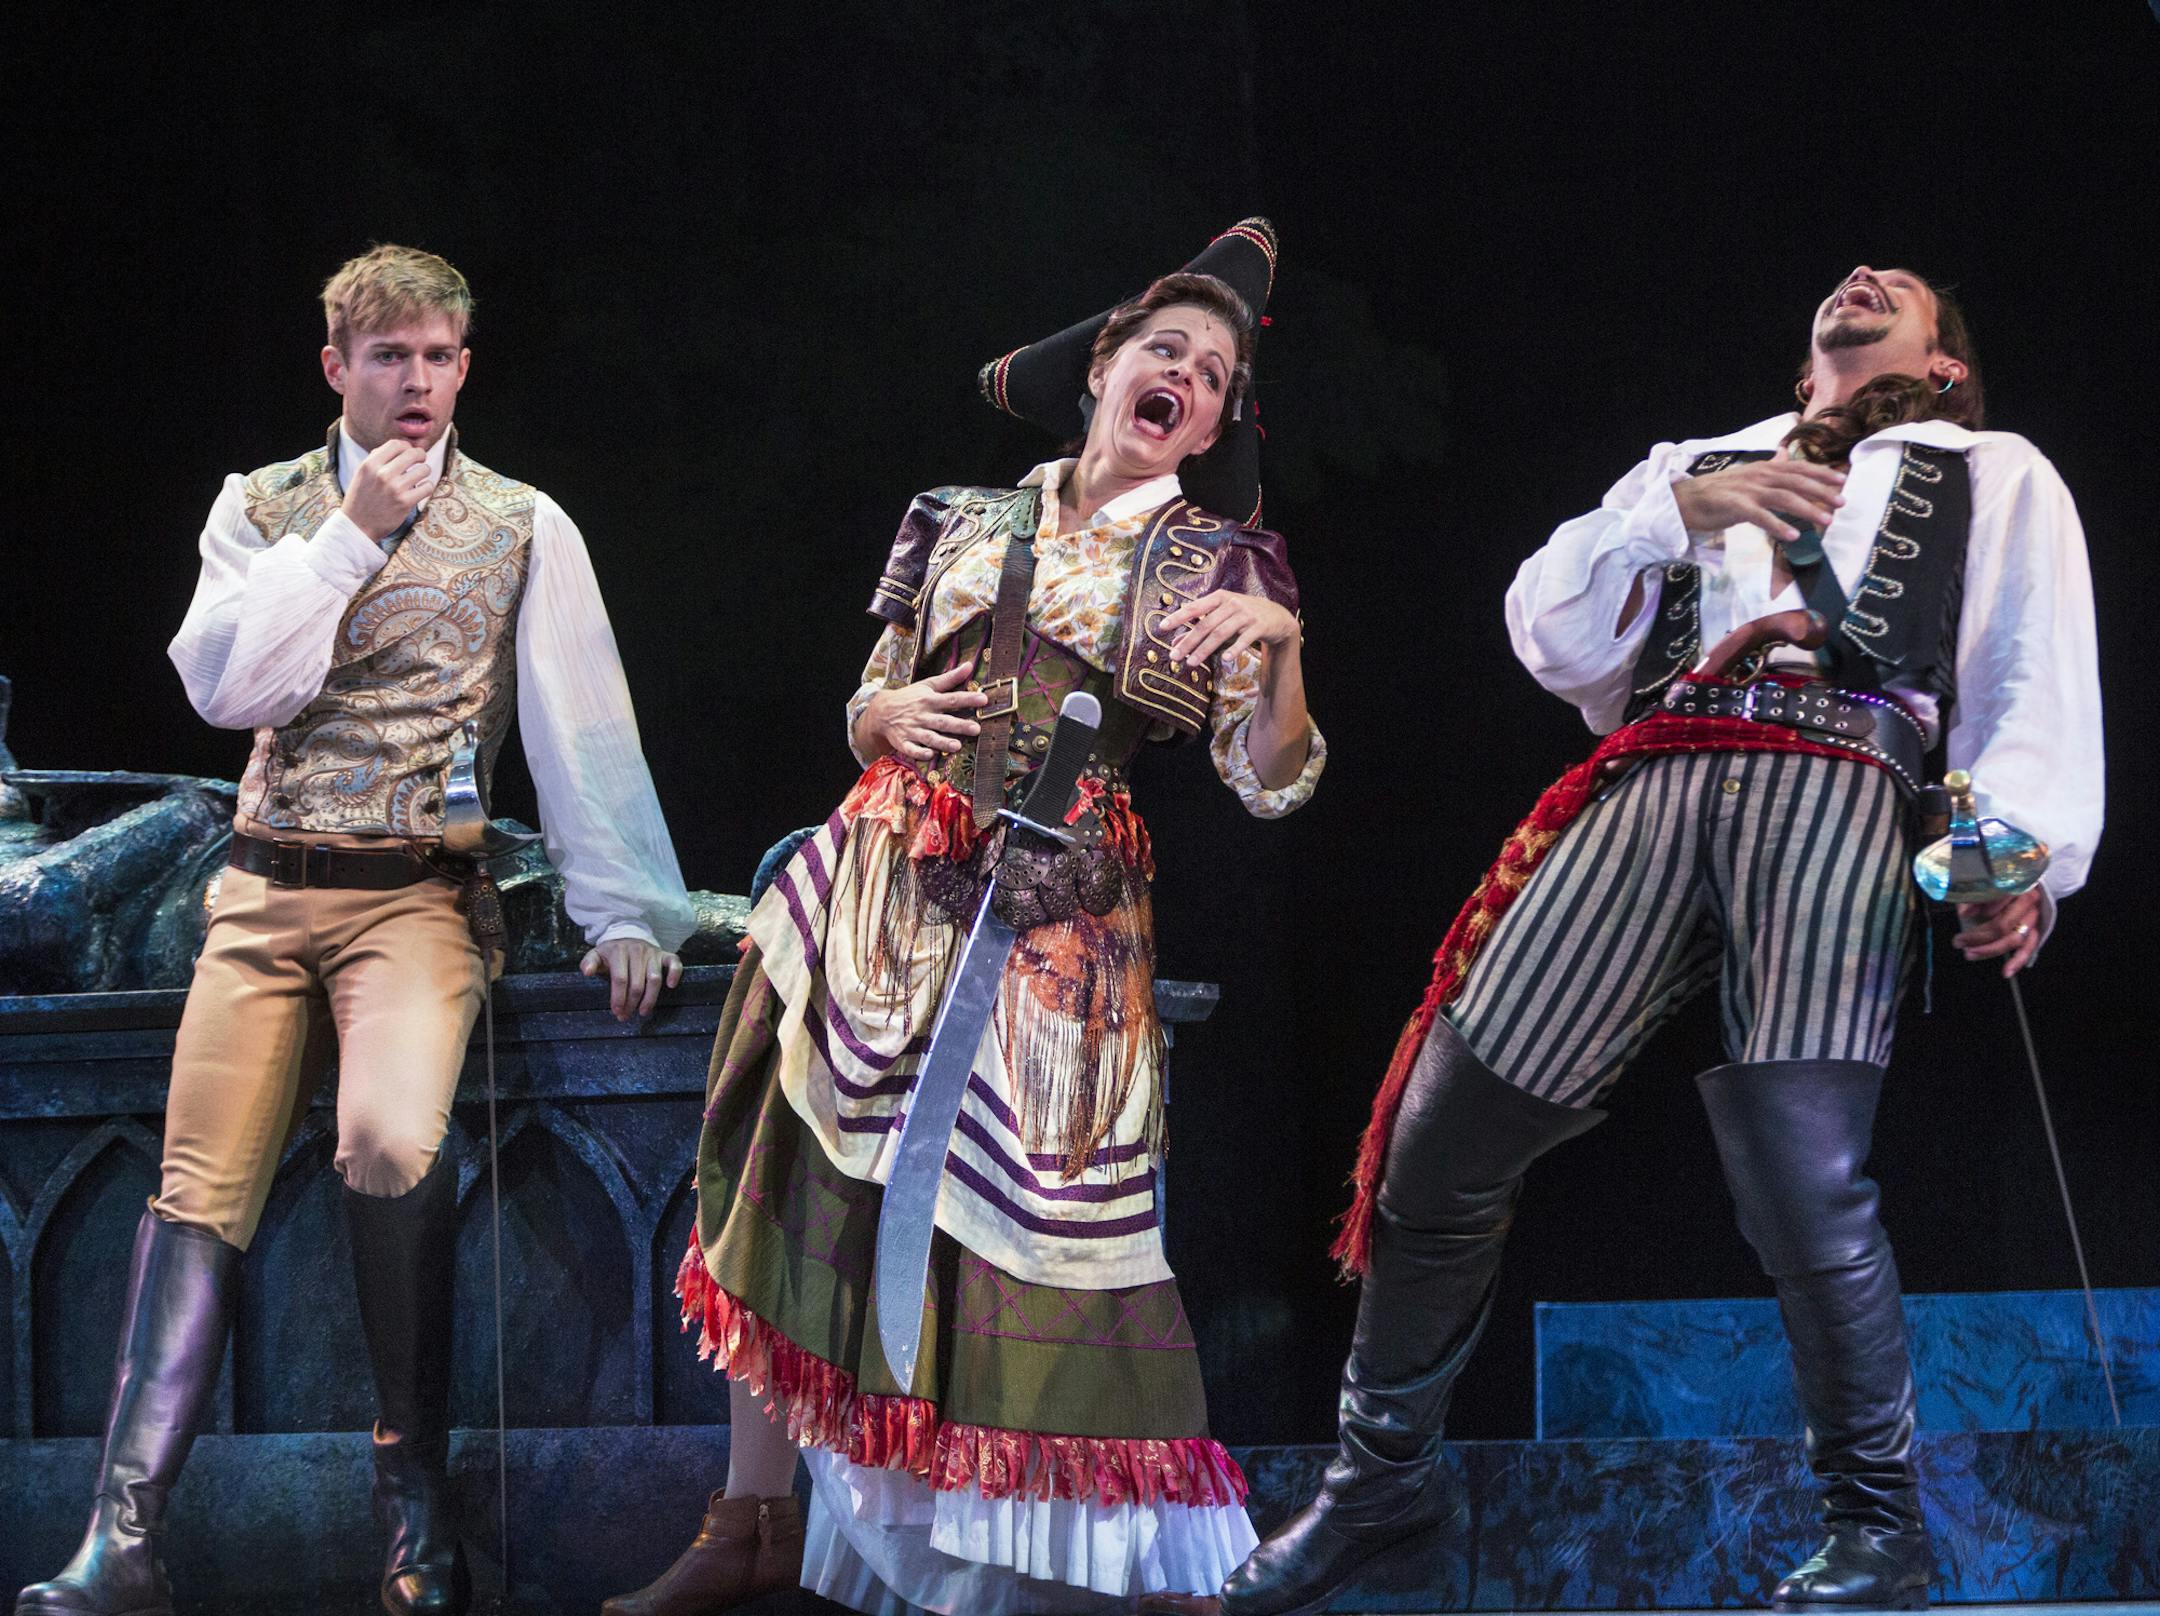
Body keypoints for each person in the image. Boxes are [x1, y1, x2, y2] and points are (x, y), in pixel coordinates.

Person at [1182, 267, 2103, 1616]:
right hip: (1653, 774)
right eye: (1850, 278)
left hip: (1841, 774)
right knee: (1440, 1134)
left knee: (1801, 1165)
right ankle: (1381, 1489)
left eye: (1898, 289)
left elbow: (2030, 665)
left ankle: (1878, 1526)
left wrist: (2018, 855)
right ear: (1801, 372)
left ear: (1945, 363)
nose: (1861, 279)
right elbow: (1553, 632)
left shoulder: (1990, 467)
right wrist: (1682, 510)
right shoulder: (1697, 461)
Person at [605, 220, 1324, 1616]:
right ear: (1103, 368)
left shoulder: (1227, 567)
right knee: (803, 1156)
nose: (1187, 372)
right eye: (1163, 347)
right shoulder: (951, 513)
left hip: (1058, 925)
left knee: (1037, 1227)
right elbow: (875, 683)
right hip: (886, 878)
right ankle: (750, 1517)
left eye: (1218, 373)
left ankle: (1068, 1564)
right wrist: (870, 712)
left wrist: (1283, 660)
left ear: (1217, 424)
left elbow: (1272, 779)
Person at [16, 244, 696, 1616]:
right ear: (338, 368)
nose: (420, 382)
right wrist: (348, 537)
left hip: (414, 898)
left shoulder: (520, 522)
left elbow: (582, 731)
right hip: (263, 894)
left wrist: (623, 909)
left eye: (442, 356)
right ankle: (125, 1540)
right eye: (392, 357)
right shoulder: (261, 507)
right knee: (197, 1185)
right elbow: (227, 687)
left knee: (388, 1142)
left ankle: (415, 1506)